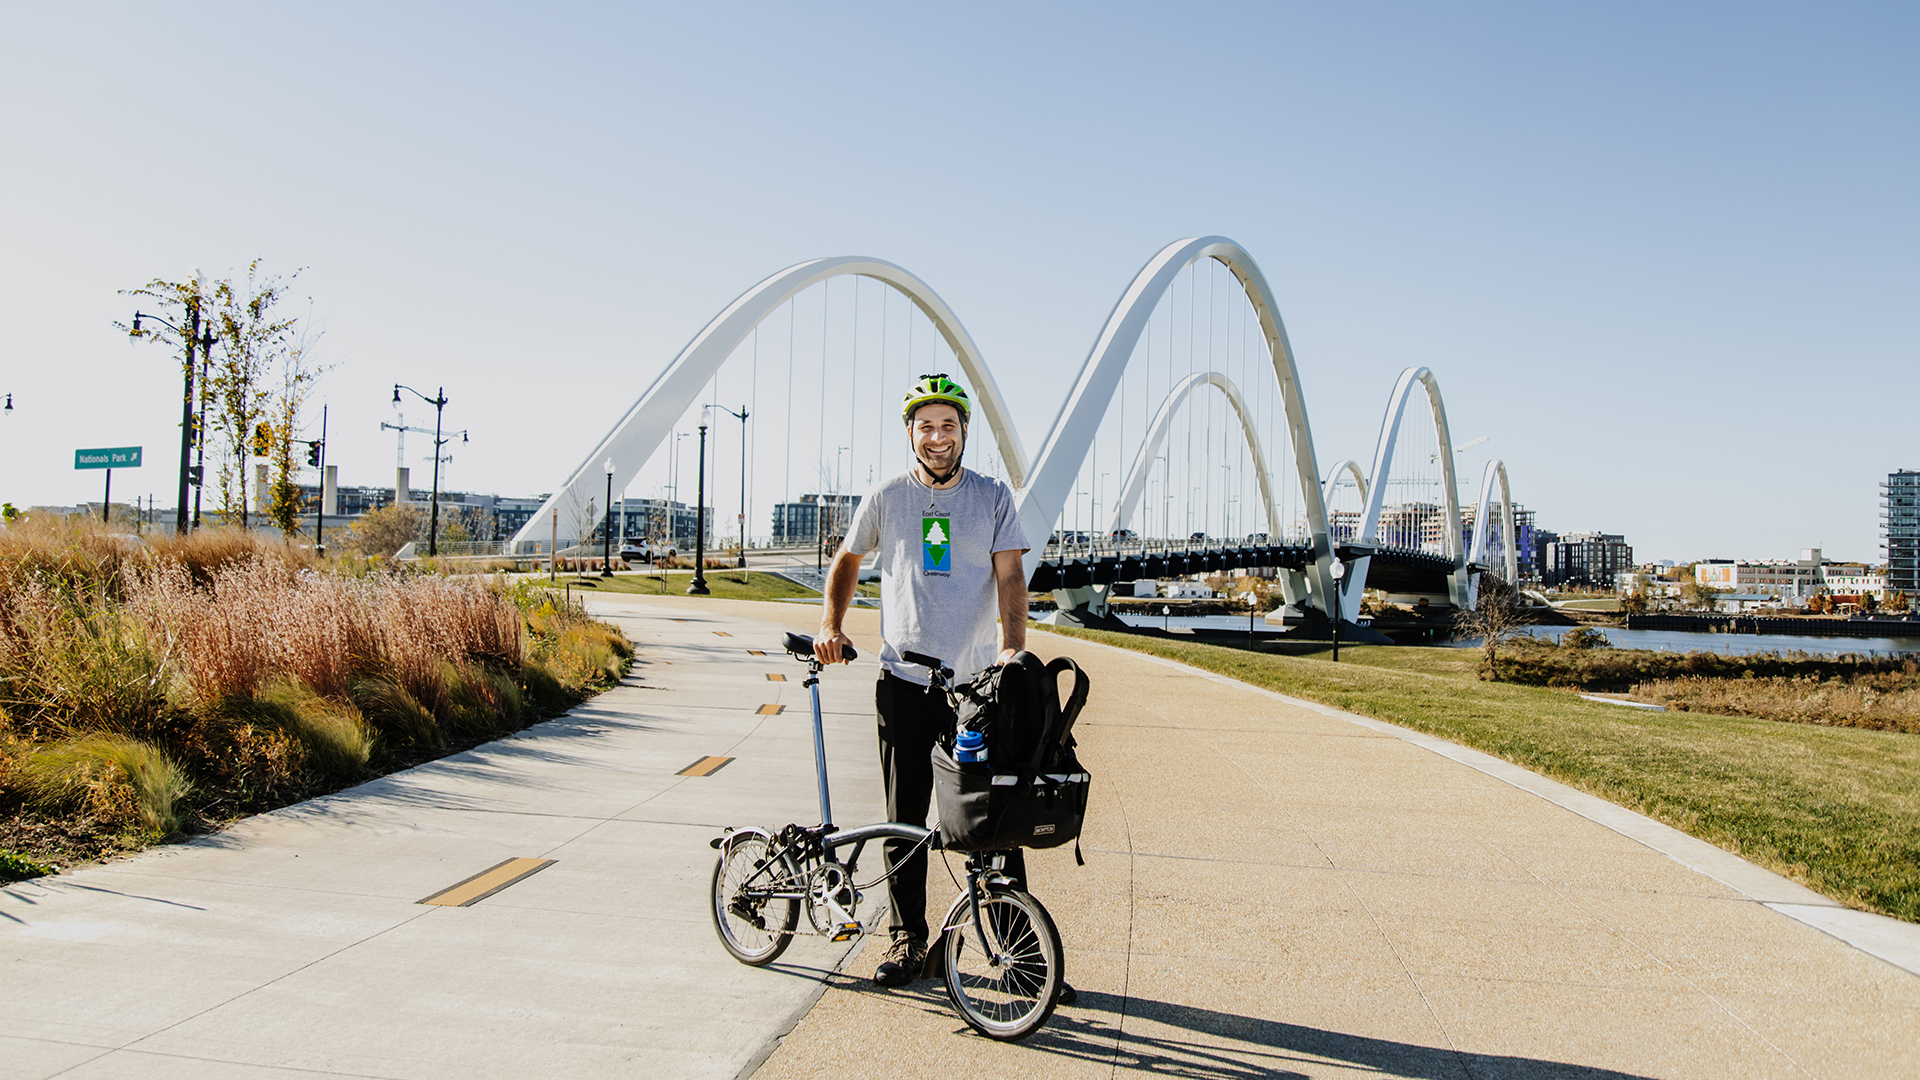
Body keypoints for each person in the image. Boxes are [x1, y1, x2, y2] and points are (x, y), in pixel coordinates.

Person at [815, 373, 1037, 989]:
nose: (937, 437)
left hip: (976, 690)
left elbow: (1011, 578)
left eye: (948, 425)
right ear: (910, 433)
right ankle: (907, 940)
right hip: (904, 683)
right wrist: (831, 625)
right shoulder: (888, 495)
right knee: (905, 821)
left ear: (964, 430)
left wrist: (1013, 650)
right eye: (926, 426)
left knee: (992, 820)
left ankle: (1021, 955)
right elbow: (848, 560)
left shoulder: (992, 496)